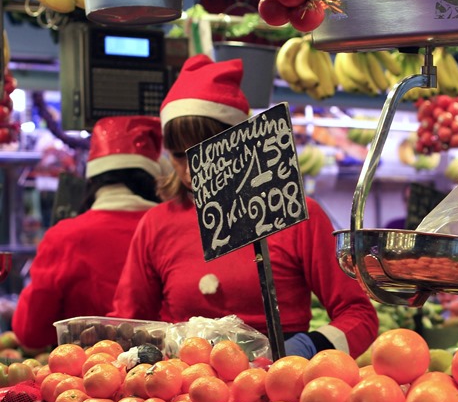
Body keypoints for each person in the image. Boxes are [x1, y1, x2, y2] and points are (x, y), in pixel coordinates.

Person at [110, 54, 378, 359]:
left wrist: (309, 347)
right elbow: (127, 324)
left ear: (237, 143)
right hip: (182, 391)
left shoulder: (296, 215)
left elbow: (360, 316)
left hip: (279, 387)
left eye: (200, 154)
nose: (189, 170)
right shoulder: (156, 225)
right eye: (178, 155)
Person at [13, 116, 163, 349]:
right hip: (173, 377)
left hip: (85, 378)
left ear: (92, 180)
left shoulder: (64, 237)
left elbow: (30, 332)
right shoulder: (173, 230)